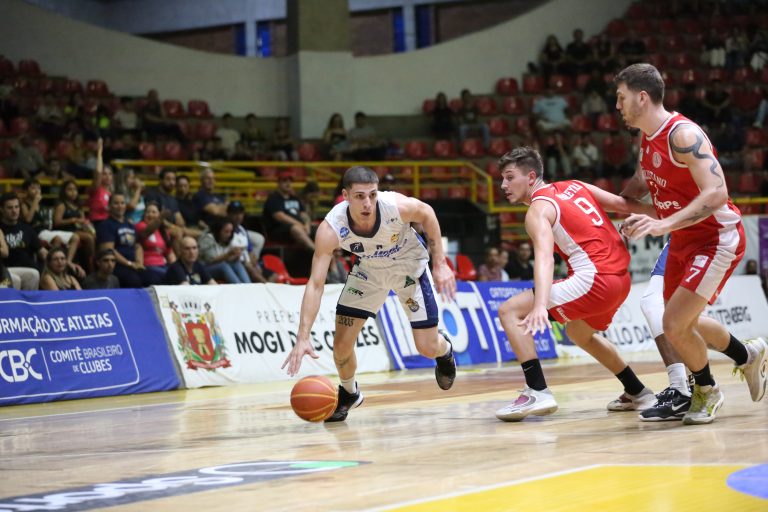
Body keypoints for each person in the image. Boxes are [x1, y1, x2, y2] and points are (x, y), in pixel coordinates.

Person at [614, 63, 767, 424]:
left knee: (673, 323)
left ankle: (707, 391)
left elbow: (717, 193)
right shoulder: (647, 137)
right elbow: (642, 181)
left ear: (642, 97)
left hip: (717, 237)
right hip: (684, 238)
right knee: (683, 322)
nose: (617, 106)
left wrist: (662, 223)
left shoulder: (683, 135)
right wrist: (614, 202)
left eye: (621, 98)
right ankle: (747, 355)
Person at [282, 166, 457, 422]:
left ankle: (445, 350)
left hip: (410, 268)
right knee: (341, 345)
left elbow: (427, 213)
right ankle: (349, 392)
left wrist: (440, 263)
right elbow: (316, 284)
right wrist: (302, 337)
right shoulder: (331, 228)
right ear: (345, 196)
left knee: (427, 347)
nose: (367, 203)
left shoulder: (395, 206)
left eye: (372, 195)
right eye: (360, 196)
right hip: (369, 272)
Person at [494, 147, 656, 422]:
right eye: (502, 178)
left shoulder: (538, 209)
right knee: (579, 333)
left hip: (594, 280)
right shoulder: (575, 186)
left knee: (510, 310)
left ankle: (537, 390)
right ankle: (638, 391)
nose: (503, 185)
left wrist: (540, 305)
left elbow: (544, 259)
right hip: (620, 280)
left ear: (531, 177)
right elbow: (623, 204)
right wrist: (671, 216)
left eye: (510, 177)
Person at [96, 193, 151, 288]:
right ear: (109, 206)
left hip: (132, 266)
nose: (120, 206)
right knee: (134, 280)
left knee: (152, 278)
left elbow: (137, 246)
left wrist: (139, 263)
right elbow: (109, 250)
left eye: (122, 203)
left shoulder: (130, 225)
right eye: (116, 203)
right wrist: (129, 264)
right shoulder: (106, 225)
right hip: (116, 266)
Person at [0, 192, 44, 290]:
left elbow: (42, 252)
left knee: (34, 274)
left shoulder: (27, 228)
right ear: (1, 209)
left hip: (26, 267)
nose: (14, 211)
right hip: (4, 271)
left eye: (16, 207)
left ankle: (30, 300)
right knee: (15, 280)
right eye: (10, 208)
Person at [261, 171, 314, 250]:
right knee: (296, 229)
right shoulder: (273, 198)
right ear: (279, 183)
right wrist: (300, 224)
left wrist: (307, 224)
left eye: (290, 181)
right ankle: (316, 252)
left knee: (320, 228)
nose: (288, 183)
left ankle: (328, 252)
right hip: (278, 230)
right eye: (285, 181)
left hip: (298, 227)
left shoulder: (294, 198)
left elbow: (303, 214)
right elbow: (280, 217)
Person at [198, 219, 251, 284]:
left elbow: (227, 260)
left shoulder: (230, 238)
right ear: (218, 231)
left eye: (230, 231)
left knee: (236, 263)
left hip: (221, 264)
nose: (229, 234)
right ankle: (238, 287)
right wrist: (229, 254)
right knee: (223, 266)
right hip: (204, 268)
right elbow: (210, 261)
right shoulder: (208, 239)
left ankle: (248, 285)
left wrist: (236, 256)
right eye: (226, 231)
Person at [135, 202, 176, 282]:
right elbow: (147, 232)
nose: (150, 215)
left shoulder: (163, 231)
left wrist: (177, 269)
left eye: (154, 212)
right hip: (148, 266)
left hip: (163, 265)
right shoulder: (140, 226)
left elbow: (169, 253)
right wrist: (161, 218)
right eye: (148, 212)